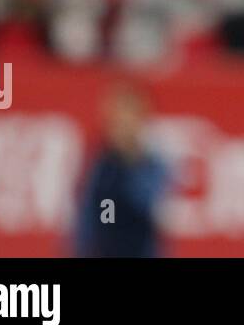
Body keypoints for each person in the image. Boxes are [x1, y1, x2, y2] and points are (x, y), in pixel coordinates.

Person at [72, 84, 170, 257]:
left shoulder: (152, 165)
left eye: (128, 117)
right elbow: (93, 217)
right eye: (116, 119)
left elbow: (145, 204)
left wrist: (128, 161)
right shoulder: (99, 164)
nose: (121, 126)